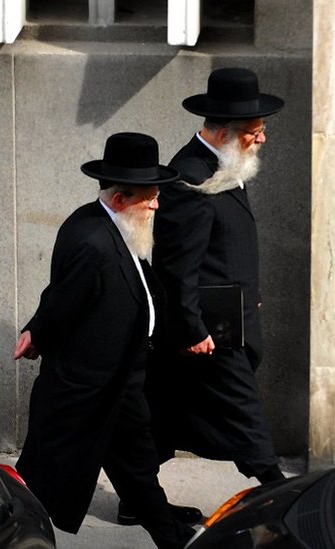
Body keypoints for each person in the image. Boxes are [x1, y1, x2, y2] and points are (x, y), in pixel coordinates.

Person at [13, 132, 195, 549]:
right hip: (89, 387)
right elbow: (63, 297)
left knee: (137, 465)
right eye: (150, 197)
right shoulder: (93, 242)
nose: (156, 205)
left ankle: (169, 534)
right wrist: (38, 332)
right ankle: (0, 529)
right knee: (45, 476)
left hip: (122, 377)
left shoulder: (115, 226)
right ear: (120, 199)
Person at [127, 68, 286, 523]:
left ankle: (135, 501)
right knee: (242, 406)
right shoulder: (192, 178)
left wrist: (248, 294)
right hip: (207, 328)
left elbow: (223, 246)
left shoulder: (225, 165)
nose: (262, 139)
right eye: (255, 133)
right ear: (222, 132)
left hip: (225, 315)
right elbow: (177, 265)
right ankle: (282, 490)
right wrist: (194, 327)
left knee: (164, 411)